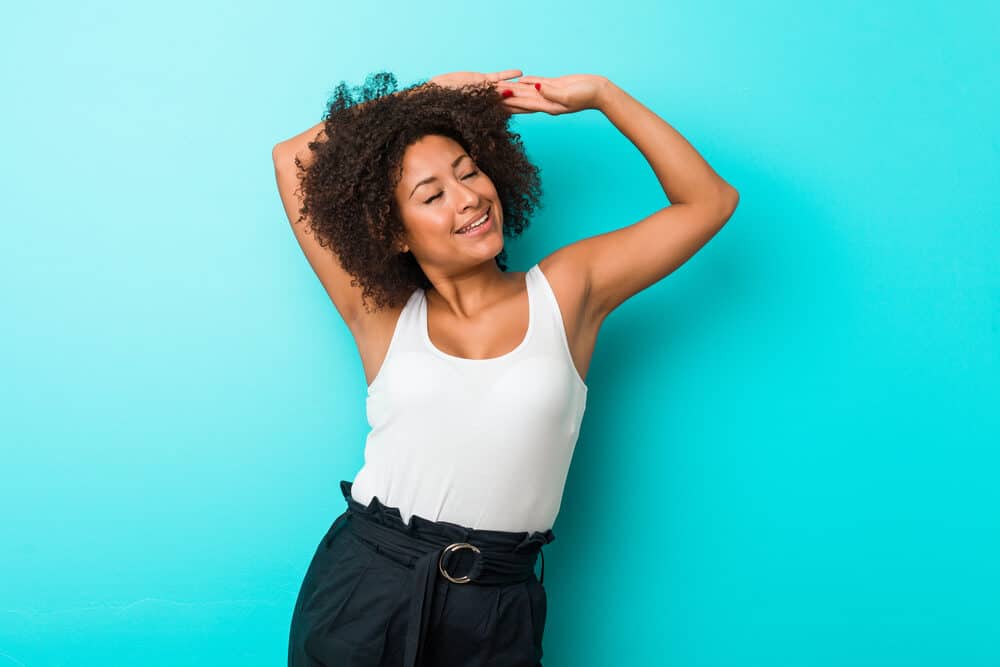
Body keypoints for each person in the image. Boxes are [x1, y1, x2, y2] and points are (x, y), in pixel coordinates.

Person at [272, 69, 739, 667]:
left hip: (494, 604)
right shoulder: (382, 315)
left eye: (468, 172)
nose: (467, 197)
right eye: (432, 194)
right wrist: (433, 94)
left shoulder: (566, 292)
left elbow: (709, 202)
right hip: (366, 584)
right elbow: (293, 160)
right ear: (394, 233)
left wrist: (603, 96)